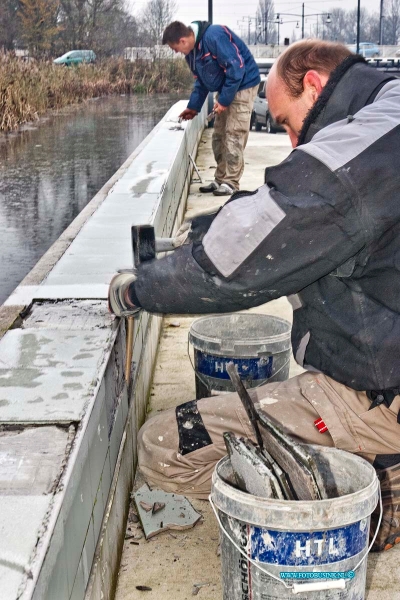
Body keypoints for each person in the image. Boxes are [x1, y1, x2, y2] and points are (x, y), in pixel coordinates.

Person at [108, 40, 400, 551]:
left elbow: (238, 267)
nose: (290, 141)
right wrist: (204, 230)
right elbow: (291, 210)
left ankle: (369, 496)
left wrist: (141, 290)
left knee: (162, 446)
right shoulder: (387, 105)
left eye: (288, 122)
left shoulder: (361, 150)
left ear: (313, 84)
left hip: (377, 394)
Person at [162, 20, 260, 196]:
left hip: (243, 84)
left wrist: (223, 101)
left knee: (234, 134)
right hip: (226, 87)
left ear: (183, 40)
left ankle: (231, 182)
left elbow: (236, 69)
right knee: (218, 136)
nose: (177, 53)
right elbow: (201, 82)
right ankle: (220, 178)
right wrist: (193, 107)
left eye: (175, 48)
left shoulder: (214, 36)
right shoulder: (190, 55)